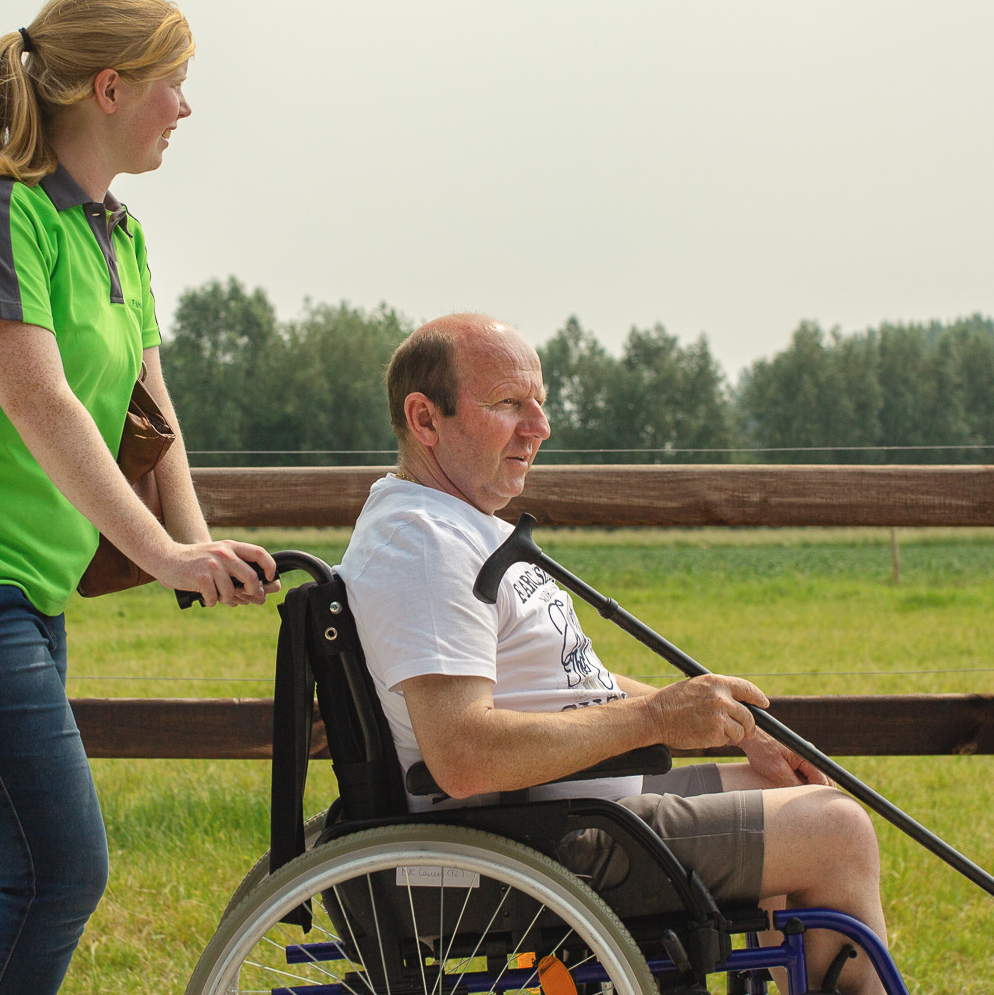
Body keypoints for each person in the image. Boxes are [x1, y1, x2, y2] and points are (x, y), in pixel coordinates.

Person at [0, 0, 278, 995]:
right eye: (175, 84)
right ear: (111, 88)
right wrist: (163, 554)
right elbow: (42, 406)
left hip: (14, 597)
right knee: (55, 873)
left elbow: (148, 413)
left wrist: (198, 548)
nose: (186, 109)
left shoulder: (118, 233)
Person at [341, 313, 891, 995]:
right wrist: (658, 718)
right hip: (532, 840)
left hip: (565, 808)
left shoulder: (454, 525)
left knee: (799, 790)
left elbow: (567, 684)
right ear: (425, 419)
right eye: (509, 403)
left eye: (540, 403)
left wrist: (734, 728)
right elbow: (462, 753)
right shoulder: (423, 544)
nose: (539, 427)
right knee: (836, 831)